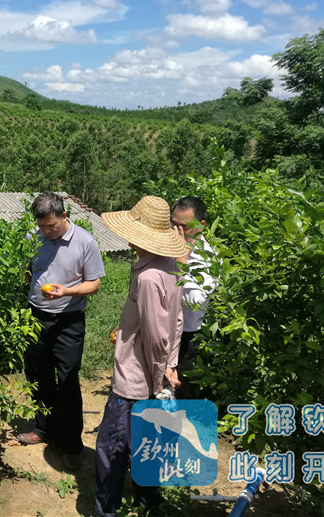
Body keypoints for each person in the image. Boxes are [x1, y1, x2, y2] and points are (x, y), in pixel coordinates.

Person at [94, 195, 187, 516]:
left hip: (135, 379)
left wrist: (160, 373)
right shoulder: (169, 267)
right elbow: (174, 322)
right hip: (153, 372)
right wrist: (170, 366)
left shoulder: (148, 277)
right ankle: (148, 501)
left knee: (112, 447)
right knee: (148, 442)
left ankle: (107, 509)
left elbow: (157, 335)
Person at [17, 191, 105, 470]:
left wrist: (67, 291)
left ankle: (70, 445)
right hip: (36, 319)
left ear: (64, 216)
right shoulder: (35, 237)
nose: (45, 231)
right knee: (37, 375)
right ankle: (44, 430)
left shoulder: (84, 242)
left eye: (51, 226)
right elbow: (28, 270)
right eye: (41, 226)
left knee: (67, 382)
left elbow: (94, 283)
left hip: (68, 321)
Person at [171, 196, 217, 399]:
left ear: (201, 226)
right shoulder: (164, 244)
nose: (177, 232)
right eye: (174, 224)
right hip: (159, 331)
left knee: (175, 395)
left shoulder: (209, 258)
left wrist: (181, 264)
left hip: (185, 337)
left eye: (185, 227)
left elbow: (197, 301)